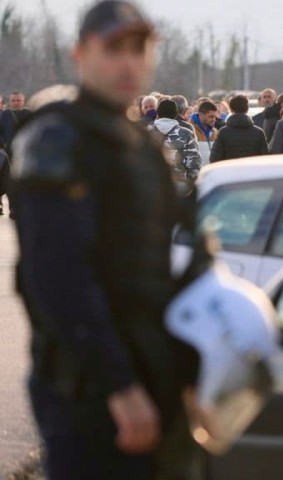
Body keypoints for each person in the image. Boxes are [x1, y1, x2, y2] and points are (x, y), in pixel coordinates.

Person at [11, 1, 201, 478]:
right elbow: (57, 283)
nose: (128, 63)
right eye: (113, 49)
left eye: (139, 49)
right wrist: (120, 387)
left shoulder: (141, 144)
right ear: (80, 55)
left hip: (152, 373)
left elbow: (164, 261)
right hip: (90, 392)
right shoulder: (57, 140)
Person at [149, 98, 202, 184]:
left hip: (150, 184)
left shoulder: (144, 133)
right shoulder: (187, 133)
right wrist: (190, 184)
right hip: (178, 183)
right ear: (175, 114)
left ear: (158, 113)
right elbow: (194, 162)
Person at [210, 94, 268, 162]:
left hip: (229, 168)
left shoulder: (223, 132)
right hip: (252, 168)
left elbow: (214, 158)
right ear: (247, 109)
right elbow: (265, 158)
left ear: (231, 109)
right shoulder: (258, 132)